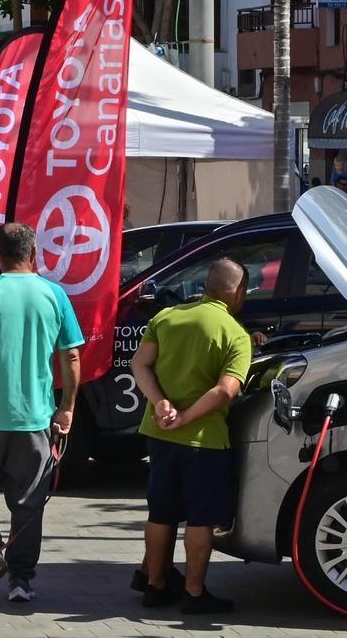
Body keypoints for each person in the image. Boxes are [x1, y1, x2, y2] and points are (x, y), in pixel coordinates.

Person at [0, 223, 83, 603]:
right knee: (28, 501)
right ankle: (21, 581)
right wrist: (66, 407)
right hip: (36, 419)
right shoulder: (55, 295)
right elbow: (71, 354)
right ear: (34, 253)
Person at [128, 258, 252, 615]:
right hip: (204, 441)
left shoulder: (167, 317)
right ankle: (195, 593)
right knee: (200, 519)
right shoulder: (235, 333)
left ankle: (155, 586)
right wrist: (186, 416)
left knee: (161, 512)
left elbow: (140, 363)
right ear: (238, 292)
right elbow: (226, 391)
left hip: (159, 433)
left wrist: (161, 404)